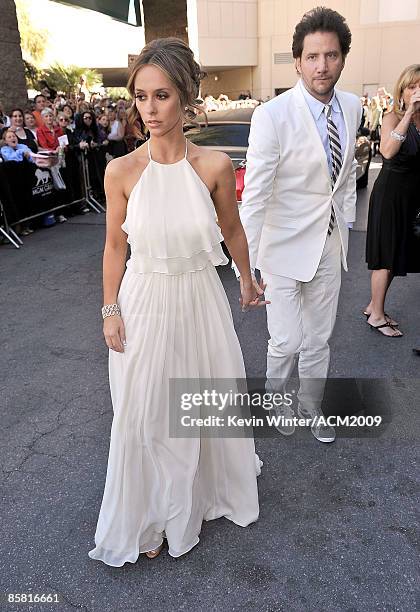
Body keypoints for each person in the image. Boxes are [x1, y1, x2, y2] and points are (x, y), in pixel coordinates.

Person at [88, 37, 266, 566]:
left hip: (198, 298)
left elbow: (232, 230)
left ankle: (190, 501)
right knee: (141, 414)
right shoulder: (120, 171)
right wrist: (109, 308)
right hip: (142, 298)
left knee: (194, 407)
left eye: (161, 95)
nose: (149, 109)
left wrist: (248, 279)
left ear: (185, 98)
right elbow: (115, 246)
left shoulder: (212, 164)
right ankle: (150, 514)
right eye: (141, 96)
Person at [235, 7, 361, 443]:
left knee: (319, 340)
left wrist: (345, 223)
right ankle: (274, 400)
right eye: (312, 57)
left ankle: (310, 405)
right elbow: (253, 196)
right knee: (286, 341)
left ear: (343, 57)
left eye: (330, 55)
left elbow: (344, 179)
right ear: (297, 62)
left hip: (329, 244)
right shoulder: (272, 115)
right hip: (281, 248)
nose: (321, 65)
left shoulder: (354, 106)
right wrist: (245, 267)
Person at [364, 64, 420, 337]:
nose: (418, 91)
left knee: (397, 257)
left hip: (411, 198)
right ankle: (376, 315)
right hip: (390, 195)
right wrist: (409, 113)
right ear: (402, 91)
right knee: (386, 257)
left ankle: (374, 305)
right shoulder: (392, 117)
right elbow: (387, 151)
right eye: (412, 86)